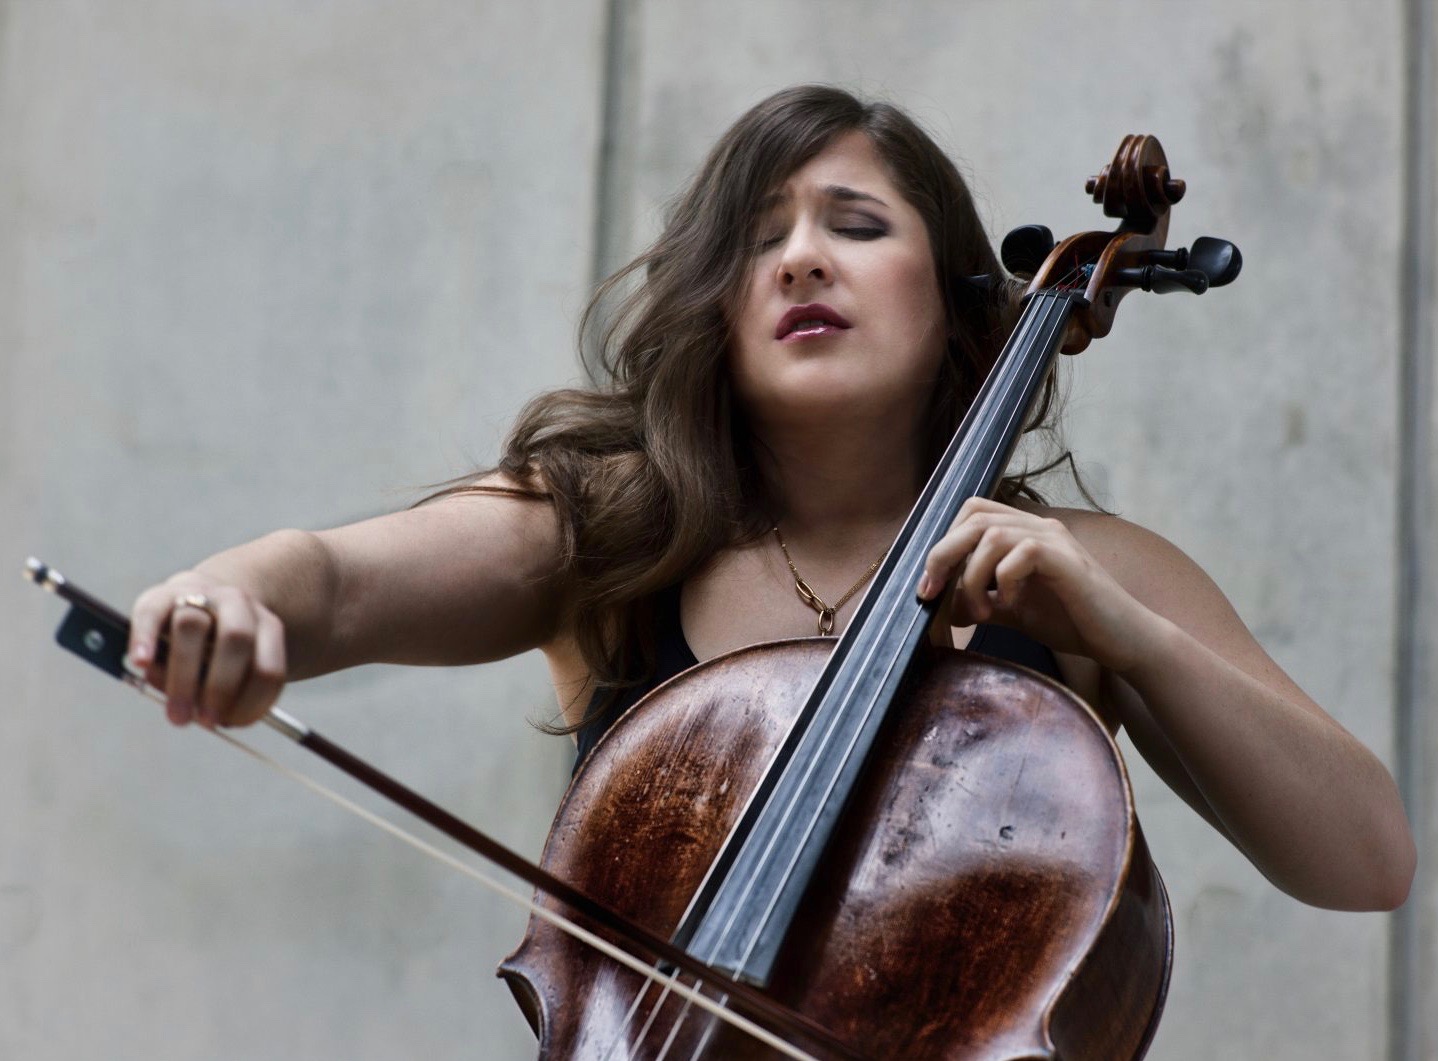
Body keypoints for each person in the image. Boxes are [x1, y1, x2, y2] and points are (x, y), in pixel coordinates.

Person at [126, 84, 1414, 914]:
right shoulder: (617, 529)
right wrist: (224, 599)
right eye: (758, 238)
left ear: (961, 296)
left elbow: (1366, 860)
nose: (799, 253)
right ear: (719, 308)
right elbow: (332, 581)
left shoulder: (1079, 569)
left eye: (856, 224)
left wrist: (1130, 636)